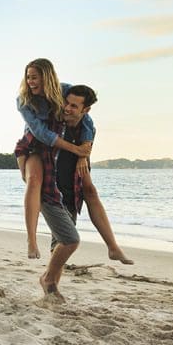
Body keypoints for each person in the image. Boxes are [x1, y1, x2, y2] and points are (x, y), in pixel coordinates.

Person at [14, 58, 92, 258]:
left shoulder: (65, 91)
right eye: (28, 77)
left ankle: (59, 240)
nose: (30, 82)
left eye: (35, 77)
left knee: (77, 189)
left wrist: (85, 150)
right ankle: (31, 240)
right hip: (34, 146)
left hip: (58, 149)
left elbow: (86, 120)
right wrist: (76, 150)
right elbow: (42, 134)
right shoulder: (23, 100)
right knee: (33, 181)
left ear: (46, 77)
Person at [35, 84, 100, 302]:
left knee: (59, 245)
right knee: (70, 240)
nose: (67, 108)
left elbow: (86, 151)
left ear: (86, 110)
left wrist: (83, 156)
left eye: (74, 106)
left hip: (72, 193)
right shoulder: (54, 123)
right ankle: (48, 281)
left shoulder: (87, 129)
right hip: (50, 192)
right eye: (67, 102)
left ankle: (51, 290)